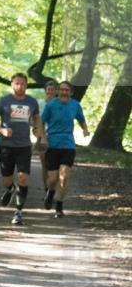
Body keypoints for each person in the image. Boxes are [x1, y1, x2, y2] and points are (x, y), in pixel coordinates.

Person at [0, 72, 45, 226]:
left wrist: (38, 132)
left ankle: (18, 212)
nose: (20, 86)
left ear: (26, 85)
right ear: (12, 84)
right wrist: (1, 130)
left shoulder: (32, 102)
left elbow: (36, 119)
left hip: (24, 145)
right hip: (6, 145)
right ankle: (10, 189)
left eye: (22, 84)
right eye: (17, 83)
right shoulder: (4, 101)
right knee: (6, 180)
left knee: (23, 177)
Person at [41, 80, 91, 217]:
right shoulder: (51, 105)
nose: (64, 92)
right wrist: (43, 138)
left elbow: (81, 119)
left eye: (66, 90)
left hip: (68, 145)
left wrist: (85, 129)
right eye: (62, 90)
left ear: (71, 92)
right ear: (58, 91)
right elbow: (41, 121)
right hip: (53, 145)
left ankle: (59, 206)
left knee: (64, 177)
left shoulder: (75, 105)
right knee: (52, 180)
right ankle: (50, 192)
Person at [39, 80, 58, 191]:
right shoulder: (40, 104)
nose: (50, 92)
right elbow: (34, 120)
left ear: (56, 91)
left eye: (52, 90)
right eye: (48, 90)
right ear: (45, 90)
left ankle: (53, 189)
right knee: (45, 165)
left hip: (57, 137)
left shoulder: (60, 104)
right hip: (43, 136)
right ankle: (47, 190)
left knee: (55, 166)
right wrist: (37, 131)